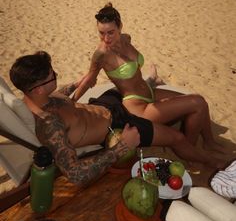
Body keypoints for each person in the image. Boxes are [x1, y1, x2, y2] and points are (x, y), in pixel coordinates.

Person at [9, 52, 226, 183]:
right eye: (52, 76)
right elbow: (74, 174)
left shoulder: (35, 94)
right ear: (37, 88)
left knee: (132, 88)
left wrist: (73, 85)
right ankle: (211, 161)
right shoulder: (49, 125)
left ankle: (150, 81)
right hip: (117, 126)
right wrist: (123, 146)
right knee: (176, 138)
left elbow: (60, 95)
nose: (55, 75)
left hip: (103, 105)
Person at [73, 3, 226, 155]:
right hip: (137, 107)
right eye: (101, 33)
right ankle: (190, 151)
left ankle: (209, 142)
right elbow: (89, 79)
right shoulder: (101, 54)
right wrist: (72, 102)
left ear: (120, 27)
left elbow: (134, 70)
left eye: (111, 32)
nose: (106, 38)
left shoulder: (126, 39)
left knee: (200, 103)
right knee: (197, 103)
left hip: (150, 93)